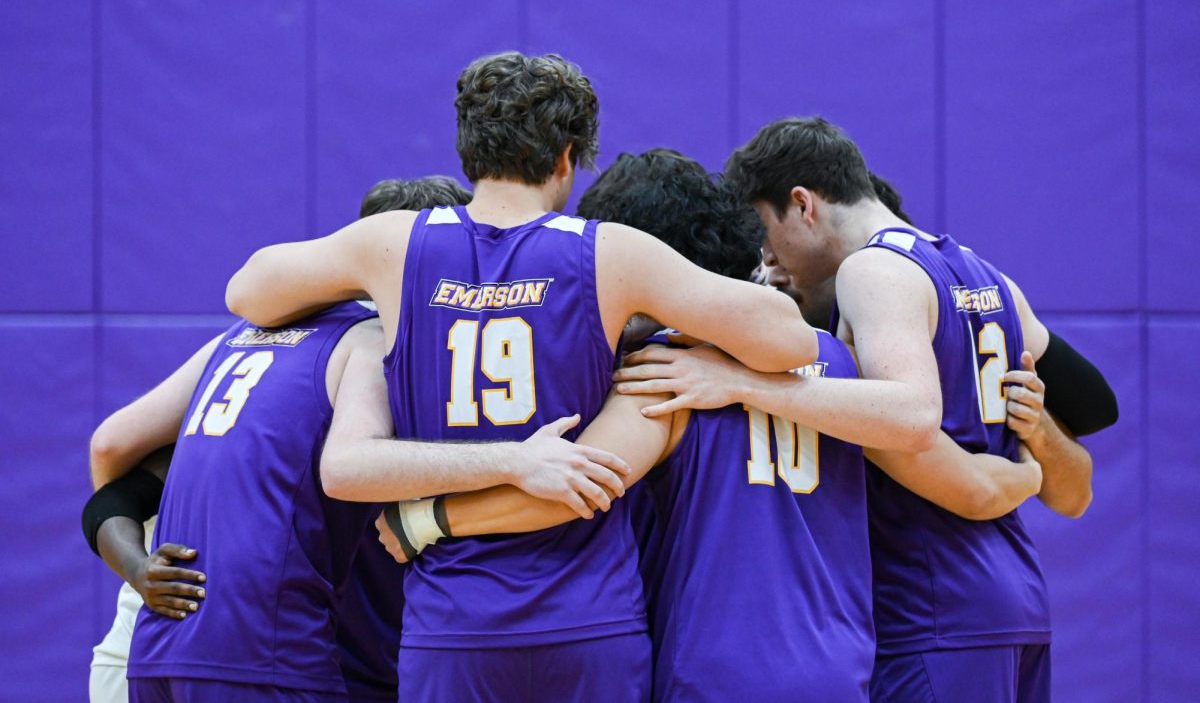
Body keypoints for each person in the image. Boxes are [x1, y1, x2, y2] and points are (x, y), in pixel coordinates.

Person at [226, 52, 817, 702]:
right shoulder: (609, 252)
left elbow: (249, 292)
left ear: (466, 150)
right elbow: (787, 338)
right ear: (568, 157)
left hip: (454, 621)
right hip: (588, 621)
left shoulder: (393, 244)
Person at [379, 149, 1047, 702]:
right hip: (841, 672)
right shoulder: (843, 365)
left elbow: (575, 483)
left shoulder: (663, 374)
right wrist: (1032, 463)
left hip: (713, 673)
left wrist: (429, 519)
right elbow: (955, 475)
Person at [615, 118, 1116, 703]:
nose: (768, 257)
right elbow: (1088, 437)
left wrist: (743, 382)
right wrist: (1034, 456)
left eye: (767, 231)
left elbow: (912, 419)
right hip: (1016, 597)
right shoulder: (992, 278)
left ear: (802, 205)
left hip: (931, 604)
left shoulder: (871, 272)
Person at [84, 177, 623, 702]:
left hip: (148, 643)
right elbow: (349, 468)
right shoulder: (373, 348)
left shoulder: (242, 336)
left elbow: (112, 454)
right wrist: (514, 459)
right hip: (260, 649)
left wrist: (141, 568)